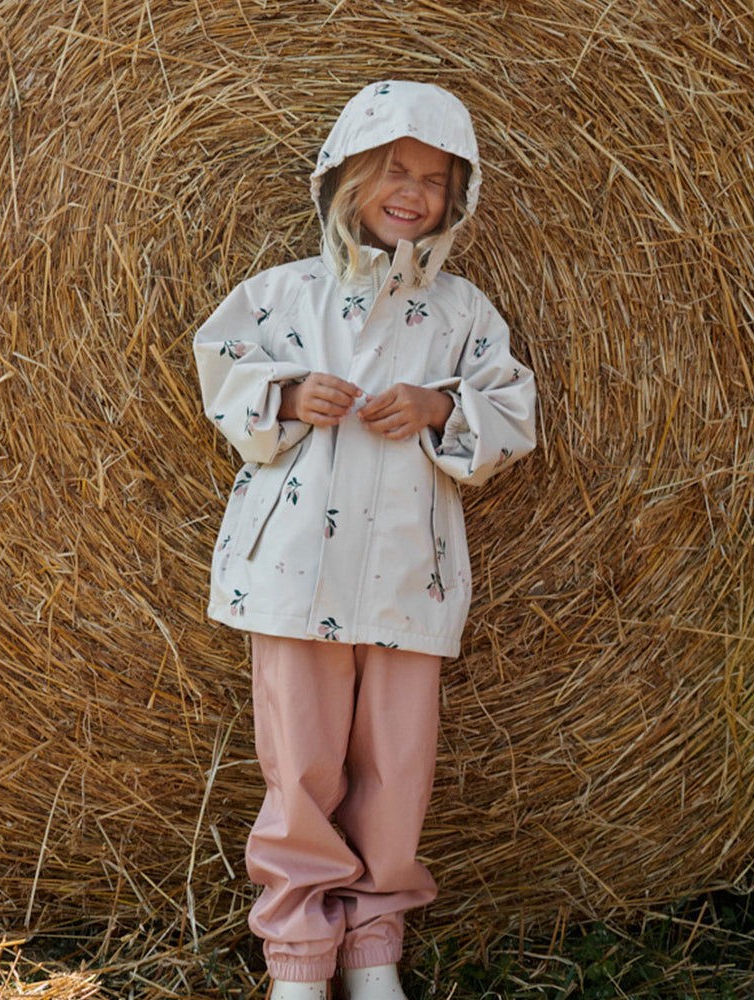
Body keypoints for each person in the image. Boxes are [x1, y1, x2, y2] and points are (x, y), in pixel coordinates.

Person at [193, 80, 536, 1000]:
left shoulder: (465, 312)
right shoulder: (283, 295)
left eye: (435, 180)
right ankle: (299, 958)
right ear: (345, 174)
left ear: (456, 200)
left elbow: (508, 412)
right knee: (299, 766)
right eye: (395, 170)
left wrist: (439, 407)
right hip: (294, 571)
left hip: (406, 578)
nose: (412, 192)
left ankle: (374, 948)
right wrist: (288, 394)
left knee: (397, 768)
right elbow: (225, 376)